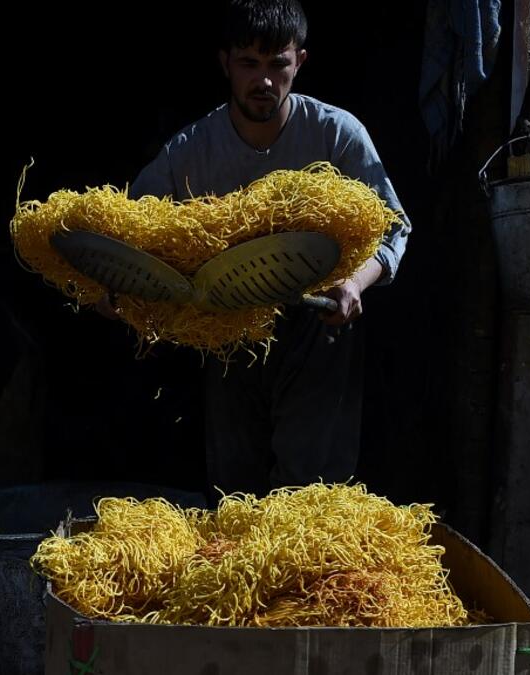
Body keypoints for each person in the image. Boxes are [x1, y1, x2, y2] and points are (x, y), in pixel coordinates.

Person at [122, 0, 411, 499]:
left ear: (300, 61)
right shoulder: (194, 148)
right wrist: (119, 288)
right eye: (249, 64)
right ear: (225, 64)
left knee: (309, 491)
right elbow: (132, 226)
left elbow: (395, 226)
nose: (264, 81)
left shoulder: (337, 135)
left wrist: (355, 282)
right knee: (235, 491)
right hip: (229, 326)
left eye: (278, 64)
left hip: (319, 326)